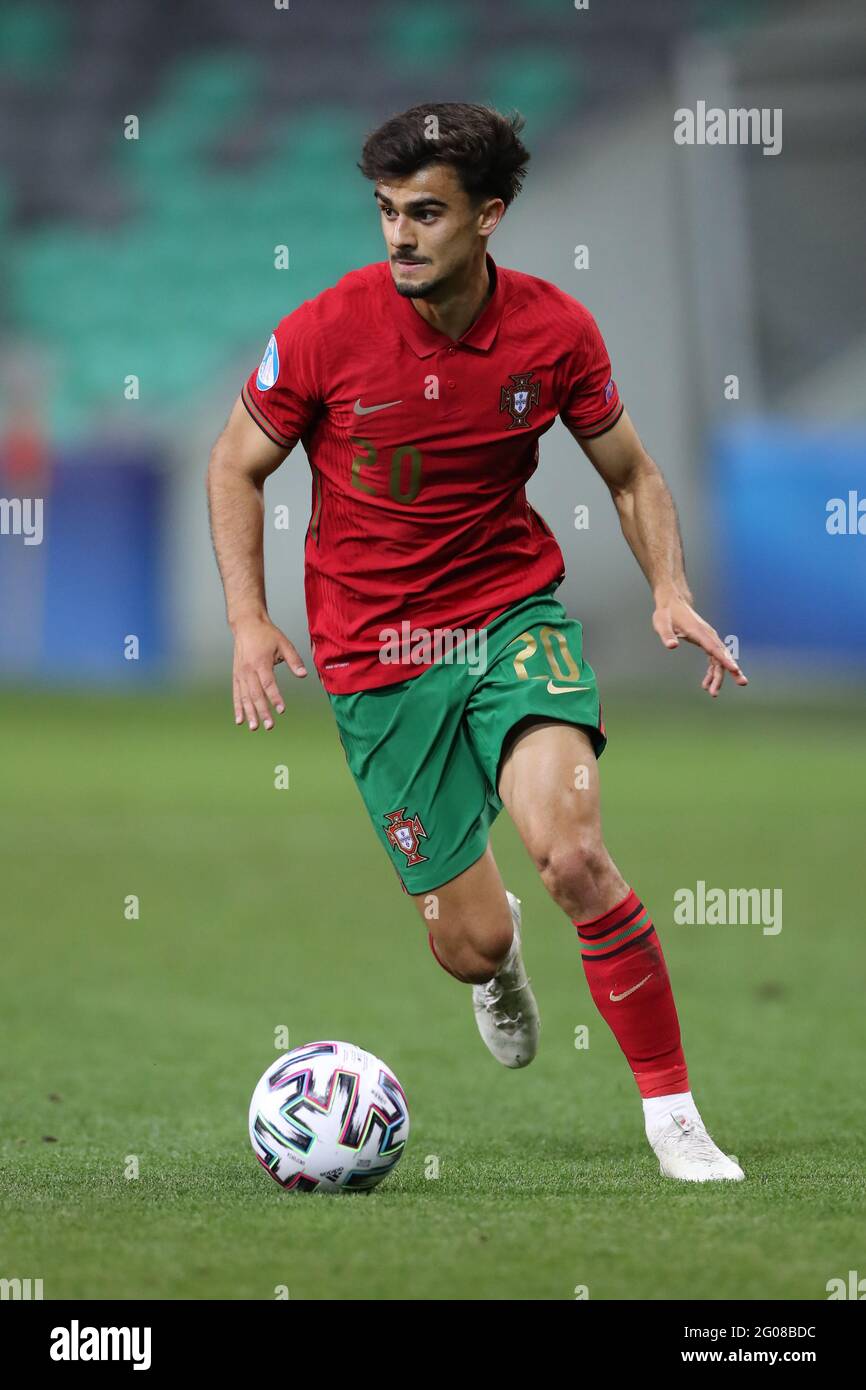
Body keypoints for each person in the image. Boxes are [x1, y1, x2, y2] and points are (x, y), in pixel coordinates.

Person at [207, 102, 748, 1182]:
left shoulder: (555, 333)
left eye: (423, 213)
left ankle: (672, 1115)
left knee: (574, 853)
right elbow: (235, 465)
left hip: (509, 620)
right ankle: (494, 959)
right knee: (473, 944)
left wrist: (669, 587)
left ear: (488, 215)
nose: (397, 236)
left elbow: (629, 471)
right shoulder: (322, 331)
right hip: (372, 658)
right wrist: (249, 620)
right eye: (384, 213)